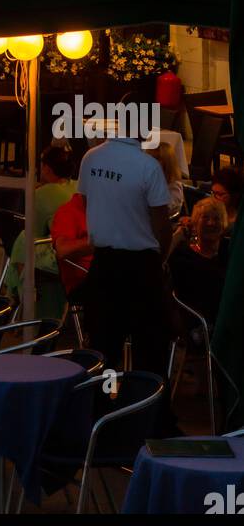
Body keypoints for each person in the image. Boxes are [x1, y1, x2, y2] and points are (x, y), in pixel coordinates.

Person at [77, 121, 174, 375]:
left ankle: (102, 404)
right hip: (141, 267)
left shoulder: (90, 158)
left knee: (103, 347)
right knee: (149, 349)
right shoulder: (148, 166)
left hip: (104, 265)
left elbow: (87, 203)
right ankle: (144, 407)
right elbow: (162, 224)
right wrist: (158, 259)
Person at [5, 147, 77, 313]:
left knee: (24, 240)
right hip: (81, 252)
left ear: (47, 168)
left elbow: (34, 231)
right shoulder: (77, 185)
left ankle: (25, 301)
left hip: (61, 253)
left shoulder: (43, 194)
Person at [169, 197, 228, 325]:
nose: (211, 223)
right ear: (195, 223)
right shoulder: (183, 255)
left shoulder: (228, 251)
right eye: (205, 217)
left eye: (216, 218)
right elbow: (160, 260)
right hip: (195, 321)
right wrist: (180, 234)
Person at [149, 140, 184, 216]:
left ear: (167, 163)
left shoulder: (174, 187)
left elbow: (162, 210)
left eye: (155, 159)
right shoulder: (152, 181)